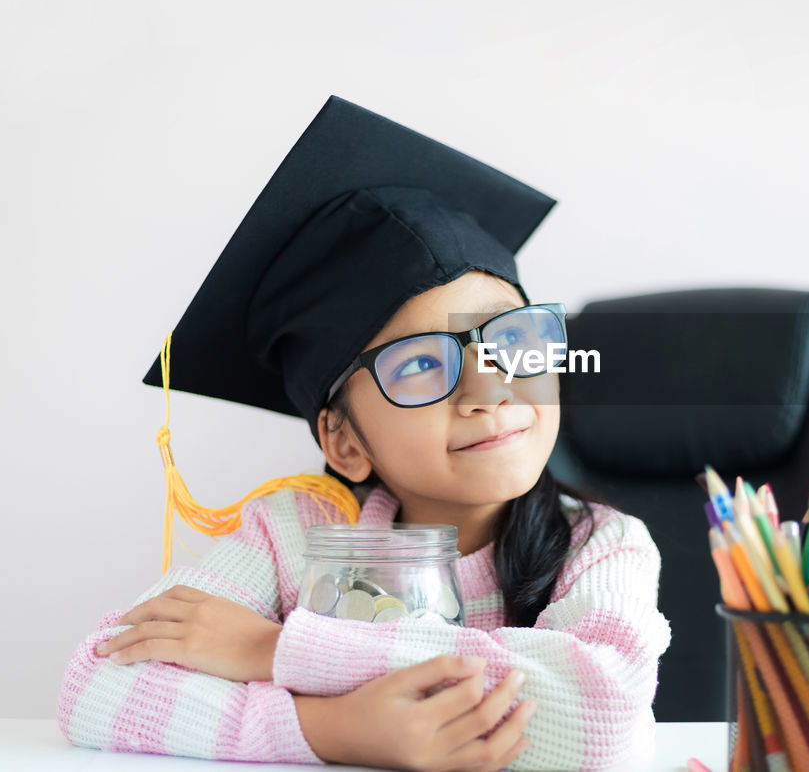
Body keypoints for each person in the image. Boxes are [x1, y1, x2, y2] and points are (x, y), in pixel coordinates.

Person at [55, 95, 672, 771]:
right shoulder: (294, 534)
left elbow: (605, 719)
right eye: (419, 364)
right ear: (343, 440)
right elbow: (96, 687)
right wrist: (337, 728)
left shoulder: (600, 542)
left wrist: (276, 648)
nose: (488, 386)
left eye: (511, 338)